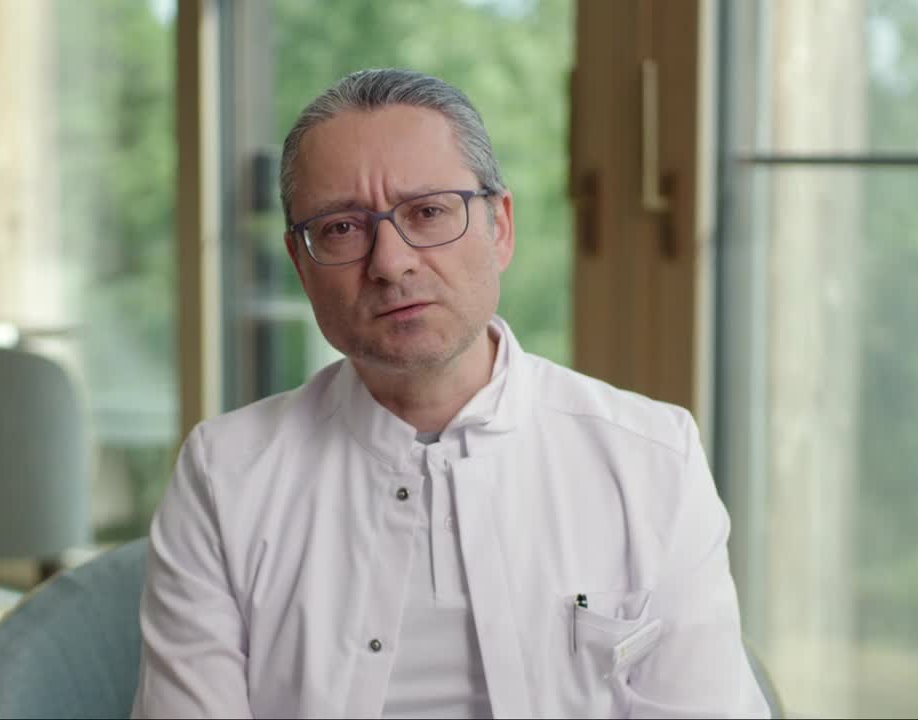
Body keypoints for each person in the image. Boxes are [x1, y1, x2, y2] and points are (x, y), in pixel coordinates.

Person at [132, 68, 769, 719]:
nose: (390, 262)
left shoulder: (654, 460)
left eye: (428, 212)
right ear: (301, 263)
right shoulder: (224, 475)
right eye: (342, 228)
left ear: (501, 227)